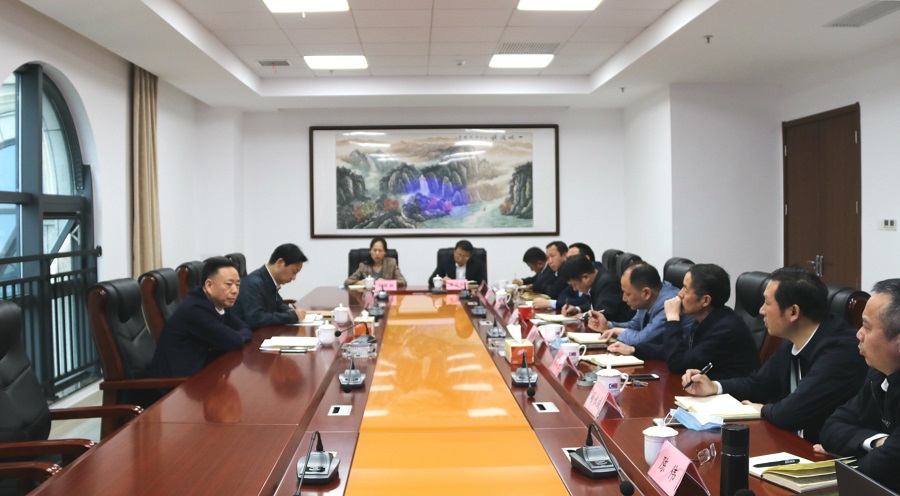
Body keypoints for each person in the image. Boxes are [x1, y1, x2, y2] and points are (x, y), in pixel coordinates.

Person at [681, 267, 866, 443]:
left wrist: (762, 410)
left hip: (823, 452)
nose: (761, 310)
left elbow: (790, 413)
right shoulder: (792, 339)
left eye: (767, 303)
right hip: (791, 442)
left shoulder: (839, 351)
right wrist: (714, 386)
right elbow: (759, 384)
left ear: (793, 312)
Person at [818, 279, 900, 492]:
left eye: (867, 327)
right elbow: (831, 428)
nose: (858, 334)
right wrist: (879, 442)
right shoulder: (879, 374)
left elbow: (879, 469)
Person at [633, 263, 759, 379]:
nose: (679, 294)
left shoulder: (726, 328)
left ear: (705, 300)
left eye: (685, 289)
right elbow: (682, 351)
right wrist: (635, 350)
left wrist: (672, 318)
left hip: (731, 394)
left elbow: (678, 364)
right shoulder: (705, 318)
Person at [149, 257, 252, 378]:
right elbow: (235, 341)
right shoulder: (195, 310)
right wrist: (238, 336)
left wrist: (237, 336)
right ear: (209, 285)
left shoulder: (218, 302)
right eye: (229, 284)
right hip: (178, 383)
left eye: (238, 285)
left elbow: (245, 328)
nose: (235, 291)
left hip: (200, 371)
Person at [588, 262, 692, 359]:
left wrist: (620, 331)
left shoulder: (668, 303)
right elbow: (634, 325)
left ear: (646, 293)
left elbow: (641, 340)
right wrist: (608, 325)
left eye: (628, 294)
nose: (623, 298)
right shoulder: (649, 299)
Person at [232, 243, 308, 330]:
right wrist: (291, 316)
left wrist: (290, 311)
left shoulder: (268, 280)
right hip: (247, 335)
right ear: (280, 263)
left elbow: (277, 304)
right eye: (294, 272)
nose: (294, 278)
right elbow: (257, 318)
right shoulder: (253, 283)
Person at [557, 254, 632, 322]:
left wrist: (582, 316)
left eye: (574, 285)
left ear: (585, 277)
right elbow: (594, 306)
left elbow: (603, 313)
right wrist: (577, 309)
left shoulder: (608, 282)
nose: (574, 289)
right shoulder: (597, 280)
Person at [532, 241, 569, 309]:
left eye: (552, 256)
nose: (550, 261)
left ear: (564, 255)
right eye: (548, 258)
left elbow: (553, 292)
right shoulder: (557, 270)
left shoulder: (567, 271)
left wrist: (549, 303)